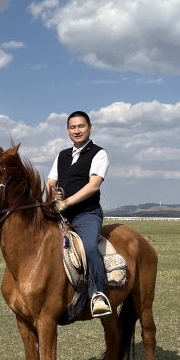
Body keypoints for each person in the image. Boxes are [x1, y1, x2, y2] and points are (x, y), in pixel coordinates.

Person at [45, 111, 111, 317]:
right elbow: (51, 181)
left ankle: (98, 295)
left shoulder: (99, 154)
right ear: (67, 131)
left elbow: (93, 186)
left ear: (90, 128)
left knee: (89, 247)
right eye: (72, 127)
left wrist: (66, 202)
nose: (77, 130)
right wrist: (52, 195)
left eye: (81, 126)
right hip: (60, 214)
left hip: (86, 214)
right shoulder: (62, 155)